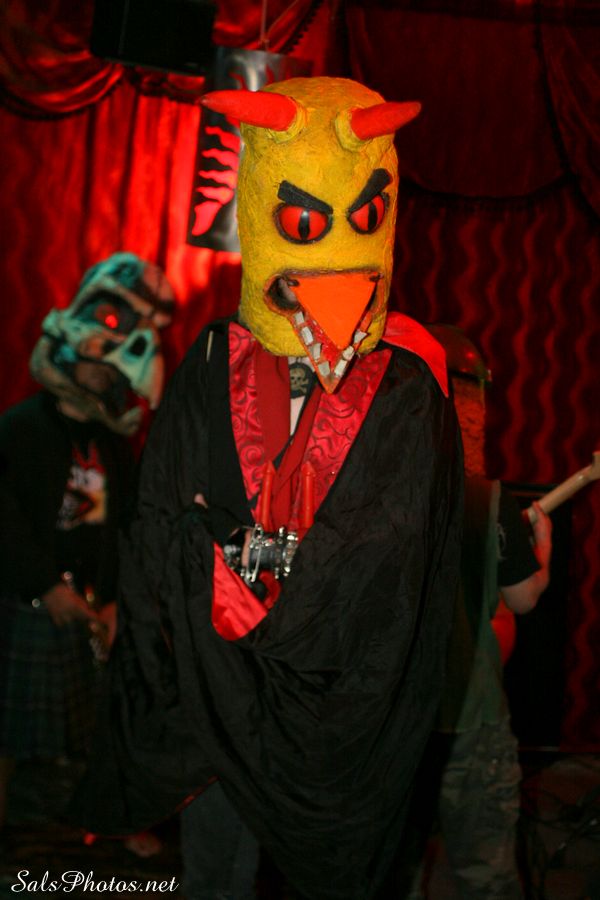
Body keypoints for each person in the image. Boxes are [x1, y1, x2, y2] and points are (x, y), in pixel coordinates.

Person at [73, 78, 464, 900]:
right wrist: (213, 587)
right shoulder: (216, 360)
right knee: (215, 869)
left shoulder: (404, 390)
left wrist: (258, 572)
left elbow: (395, 555)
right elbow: (163, 514)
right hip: (219, 690)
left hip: (334, 714)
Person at [0, 252, 175, 854]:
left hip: (94, 606)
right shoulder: (18, 427)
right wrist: (45, 587)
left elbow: (126, 527)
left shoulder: (114, 444)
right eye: (100, 351)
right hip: (31, 603)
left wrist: (118, 601)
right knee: (11, 731)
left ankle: (105, 824)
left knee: (102, 722)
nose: (106, 367)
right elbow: (5, 522)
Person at [391, 325, 552, 900]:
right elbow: (523, 599)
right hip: (471, 717)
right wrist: (543, 551)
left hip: (392, 721)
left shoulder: (372, 495)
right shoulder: (487, 498)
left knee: (392, 873)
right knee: (485, 875)